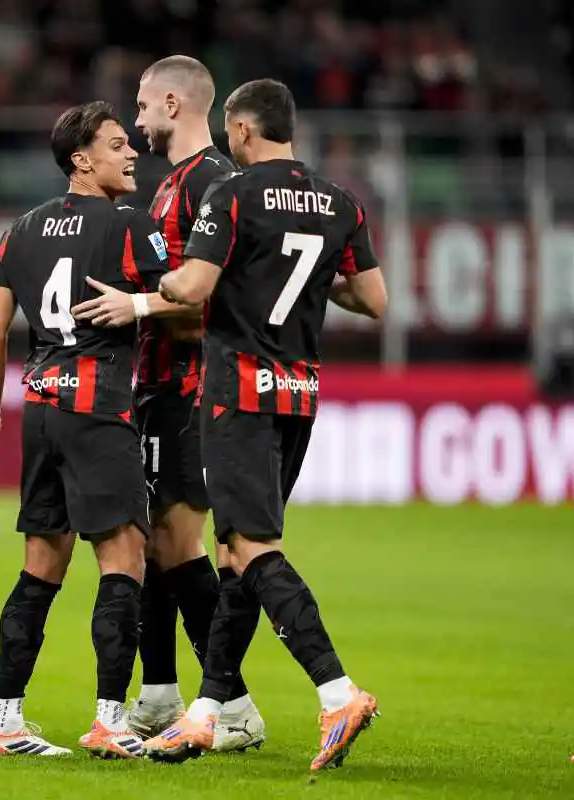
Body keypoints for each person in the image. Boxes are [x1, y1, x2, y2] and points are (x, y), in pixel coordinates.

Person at [139, 79, 387, 771]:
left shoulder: (234, 192)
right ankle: (207, 712)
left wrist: (146, 284)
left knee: (251, 549)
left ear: (241, 132)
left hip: (238, 391)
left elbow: (190, 287)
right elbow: (372, 298)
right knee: (231, 557)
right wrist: (305, 278)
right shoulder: (340, 202)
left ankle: (337, 692)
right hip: (298, 391)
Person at [0, 101, 178, 758]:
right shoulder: (128, 225)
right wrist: (151, 302)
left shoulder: (20, 231)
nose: (132, 153)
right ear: (81, 159)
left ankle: (3, 720)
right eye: (118, 144)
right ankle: (110, 722)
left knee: (40, 569)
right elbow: (186, 300)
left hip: (41, 411)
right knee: (125, 562)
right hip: (101, 410)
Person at [71, 55, 265, 751]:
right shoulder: (168, 186)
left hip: (192, 390)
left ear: (176, 104)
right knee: (151, 543)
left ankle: (233, 704)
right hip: (153, 389)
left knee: (178, 546)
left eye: (145, 106)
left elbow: (214, 300)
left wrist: (137, 307)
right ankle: (158, 694)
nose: (138, 119)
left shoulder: (214, 182)